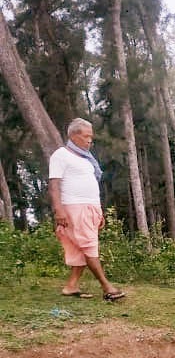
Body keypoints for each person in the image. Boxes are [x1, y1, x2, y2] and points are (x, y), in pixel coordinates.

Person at [49, 118, 125, 302]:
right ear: (74, 136)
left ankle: (71, 286)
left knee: (81, 249)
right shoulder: (61, 155)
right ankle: (107, 287)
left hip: (90, 208)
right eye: (86, 136)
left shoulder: (86, 158)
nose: (90, 140)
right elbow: (54, 185)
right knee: (90, 248)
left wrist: (98, 212)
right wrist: (59, 210)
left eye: (91, 137)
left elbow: (89, 185)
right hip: (74, 208)